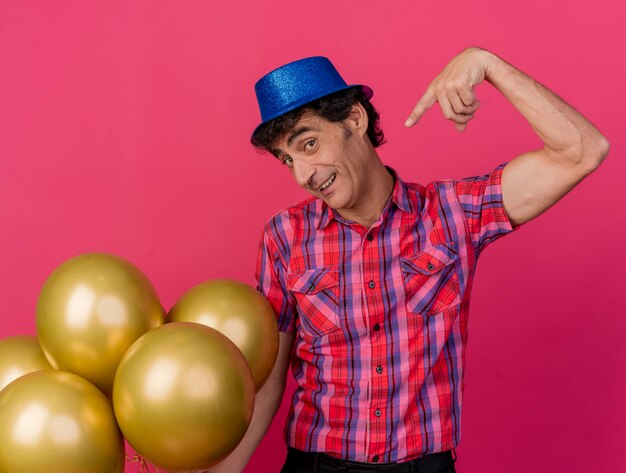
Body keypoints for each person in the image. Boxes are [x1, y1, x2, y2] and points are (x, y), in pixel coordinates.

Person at [211, 47, 609, 473]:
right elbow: (268, 377)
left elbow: (583, 150)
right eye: (288, 159)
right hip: (316, 465)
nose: (304, 174)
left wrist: (488, 64)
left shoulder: (452, 214)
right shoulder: (285, 236)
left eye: (309, 144)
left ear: (355, 120)